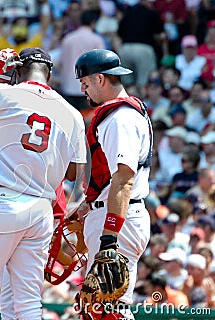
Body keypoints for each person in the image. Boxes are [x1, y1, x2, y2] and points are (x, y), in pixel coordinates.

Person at [0, 47, 87, 319]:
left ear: (17, 71)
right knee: (29, 304)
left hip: (2, 201)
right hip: (41, 210)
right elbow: (72, 174)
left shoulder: (2, 93)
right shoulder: (71, 113)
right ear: (49, 74)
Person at [74, 49, 152, 319]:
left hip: (120, 217)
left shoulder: (120, 118)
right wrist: (87, 205)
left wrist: (109, 237)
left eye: (85, 83)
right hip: (119, 213)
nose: (84, 91)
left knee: (107, 310)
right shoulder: (121, 114)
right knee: (97, 308)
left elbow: (123, 178)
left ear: (100, 79)